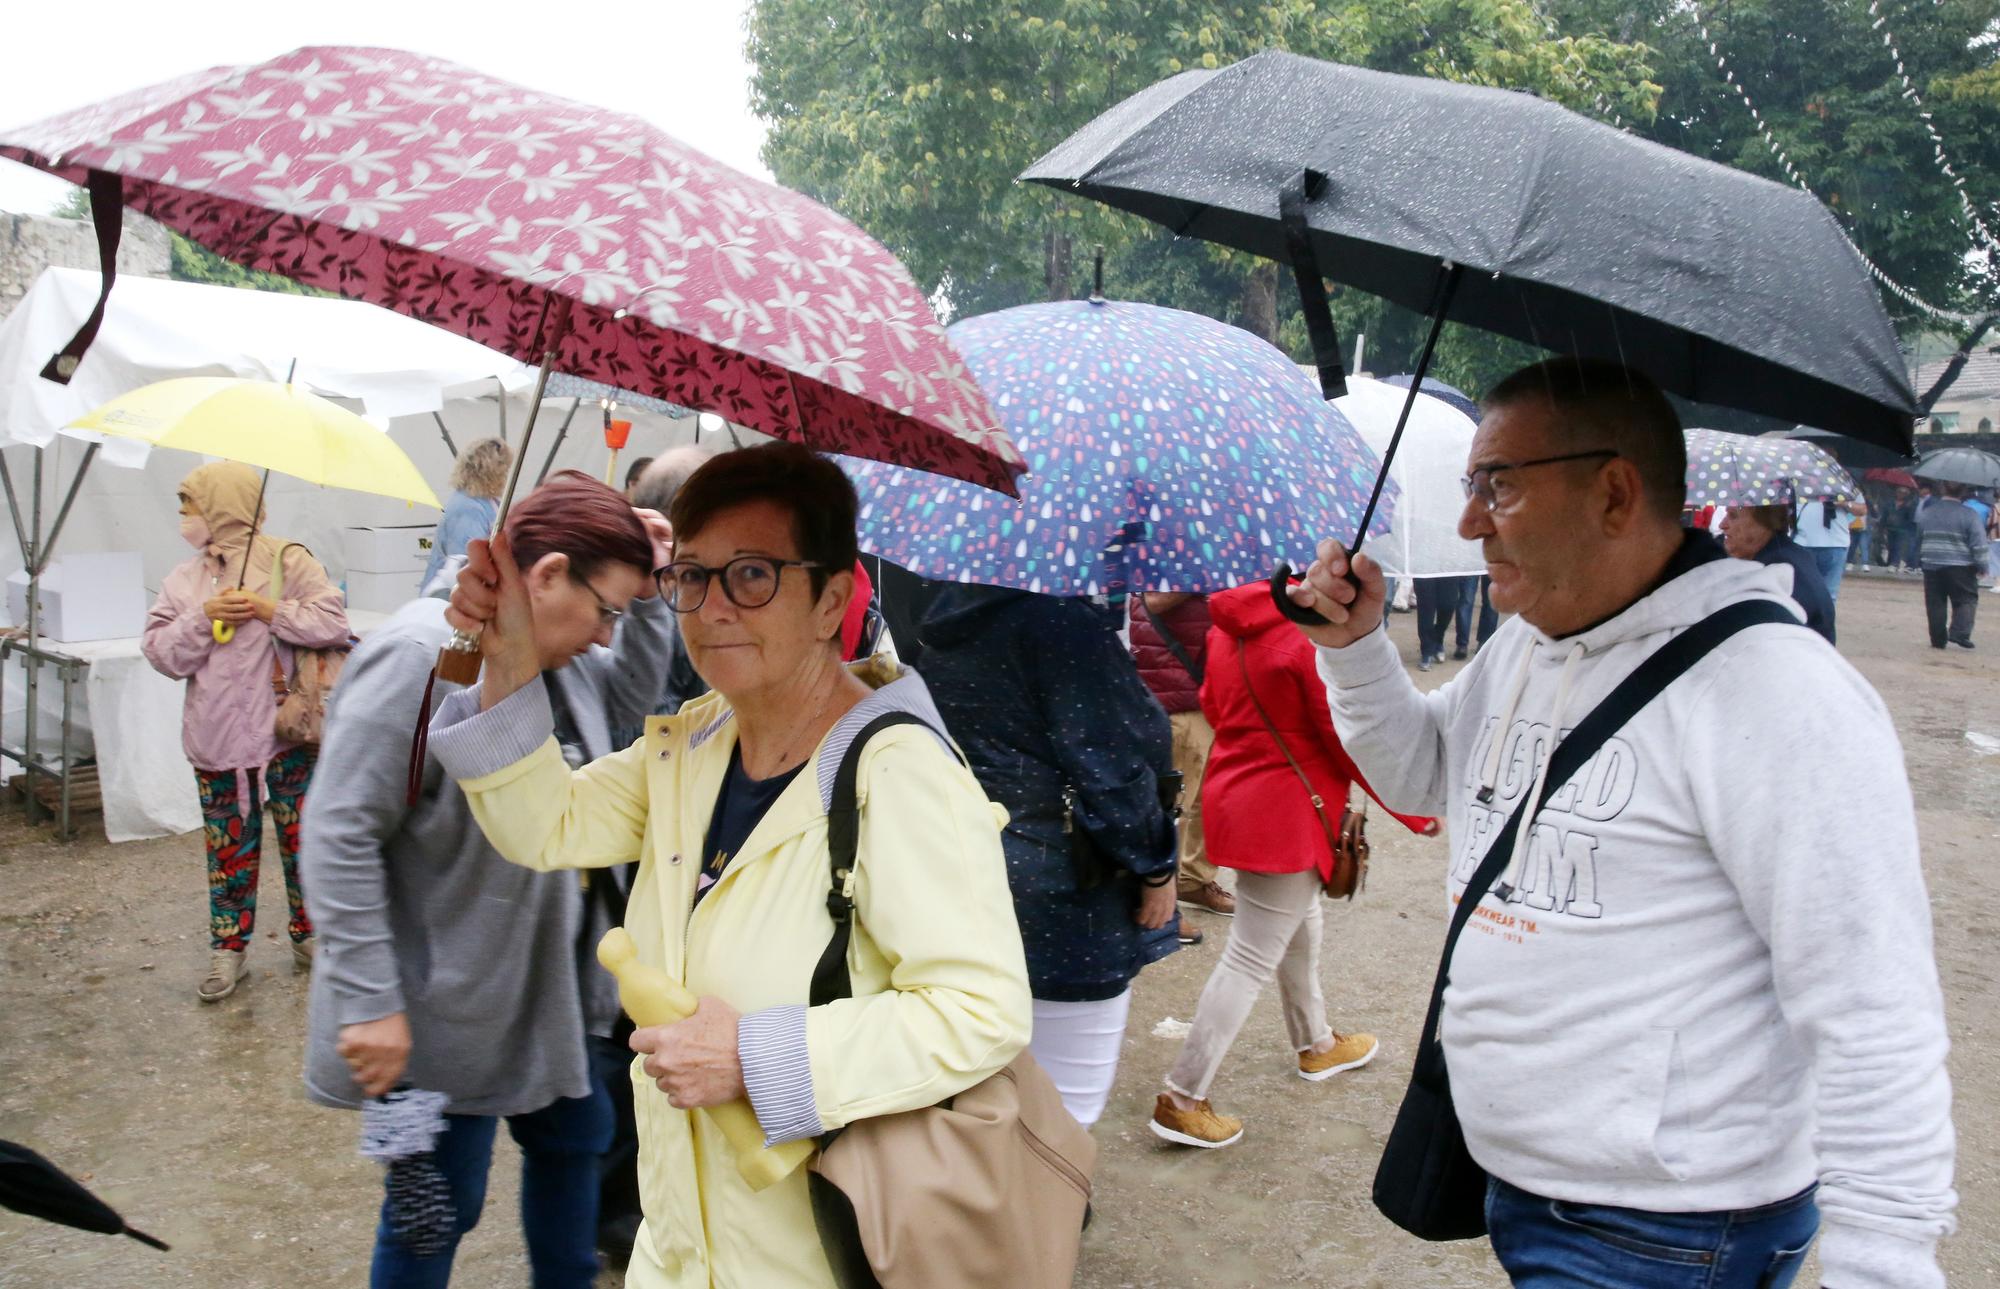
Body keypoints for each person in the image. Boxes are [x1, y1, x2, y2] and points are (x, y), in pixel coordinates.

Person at [1288, 357, 1955, 1289]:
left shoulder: (1784, 696)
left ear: (1613, 492)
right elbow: (1431, 772)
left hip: (1673, 1225)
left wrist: (1882, 1258)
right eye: (1472, 486)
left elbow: (1870, 1005)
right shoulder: (1526, 641)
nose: (1472, 518)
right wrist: (1355, 650)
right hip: (1522, 1180)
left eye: (1499, 485)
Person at [428, 443, 1032, 1287]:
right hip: (681, 1248)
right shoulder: (695, 744)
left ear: (830, 597)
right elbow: (546, 825)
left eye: (752, 575)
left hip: (819, 1249)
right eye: (693, 575)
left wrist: (755, 1056)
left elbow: (982, 1009)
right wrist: (511, 656)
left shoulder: (899, 775)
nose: (711, 607)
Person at [302, 471, 673, 1288]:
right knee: (434, 1211)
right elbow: (337, 830)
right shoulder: (418, 658)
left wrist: (647, 595)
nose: (608, 634)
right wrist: (369, 997)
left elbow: (632, 703)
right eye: (606, 609)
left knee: (577, 1143)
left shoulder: (541, 651)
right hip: (427, 1015)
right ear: (544, 577)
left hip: (541, 990)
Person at [1149, 580, 1434, 1148]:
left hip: (1242, 797)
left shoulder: (1225, 627)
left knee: (1296, 924)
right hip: (1288, 812)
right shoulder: (1302, 639)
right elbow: (1343, 738)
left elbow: (1212, 704)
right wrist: (1413, 808)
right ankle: (1182, 1097)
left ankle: (1317, 1044)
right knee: (1251, 954)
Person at [920, 583, 1180, 1127]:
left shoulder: (947, 616)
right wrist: (1156, 867)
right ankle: (1048, 1208)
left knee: (986, 1082)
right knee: (1067, 1107)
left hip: (966, 865)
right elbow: (1111, 768)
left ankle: (995, 1202)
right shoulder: (1061, 624)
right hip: (1066, 886)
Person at [142, 462, 349, 1003]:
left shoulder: (289, 560)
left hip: (287, 734)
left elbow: (333, 623)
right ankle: (228, 950)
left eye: (189, 504)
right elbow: (162, 654)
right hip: (218, 742)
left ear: (220, 506)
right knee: (227, 852)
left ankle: (313, 939)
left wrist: (268, 608)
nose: (184, 517)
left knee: (306, 843)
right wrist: (200, 617)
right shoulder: (184, 579)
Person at [1129, 592, 1236, 927]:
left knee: (1207, 799)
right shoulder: (1172, 550)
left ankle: (1191, 881)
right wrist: (1205, 578)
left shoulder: (1196, 549)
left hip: (1203, 690)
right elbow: (1154, 599)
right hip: (1176, 694)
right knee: (1173, 807)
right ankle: (1159, 905)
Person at [1720, 503, 1836, 644]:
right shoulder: (1790, 554)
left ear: (1765, 522)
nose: (1722, 524)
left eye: (1733, 516)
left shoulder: (1778, 567)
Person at [421, 438, 511, 591]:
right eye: (504, 468)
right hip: (447, 598)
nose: (506, 475)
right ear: (492, 471)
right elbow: (464, 565)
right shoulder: (468, 507)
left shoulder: (484, 500)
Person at [1918, 482, 1990, 650]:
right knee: (1966, 599)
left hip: (1932, 562)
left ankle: (1937, 639)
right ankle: (1959, 633)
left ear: (1942, 489)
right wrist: (1983, 565)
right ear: (1964, 491)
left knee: (1935, 602)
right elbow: (1978, 543)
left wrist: (1921, 558)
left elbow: (1919, 535)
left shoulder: (1927, 512)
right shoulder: (1969, 515)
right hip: (1961, 565)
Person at [1791, 496, 1862, 601]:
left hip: (1836, 544)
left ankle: (1824, 617)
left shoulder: (1843, 482)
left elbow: (1861, 509)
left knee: (1829, 594)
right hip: (1802, 543)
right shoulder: (1797, 481)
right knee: (1801, 593)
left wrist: (1844, 503)